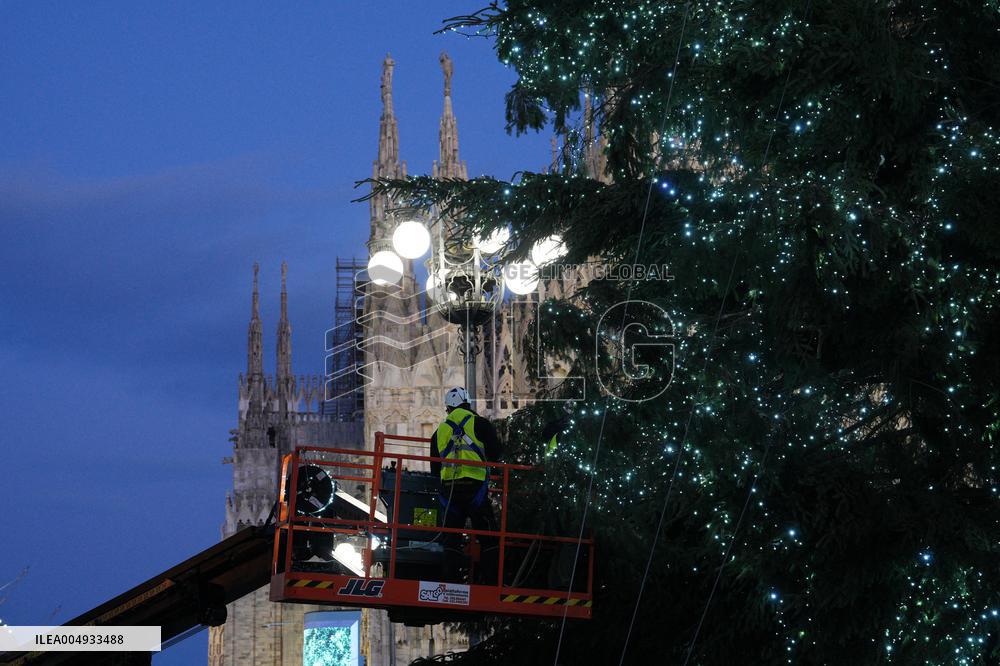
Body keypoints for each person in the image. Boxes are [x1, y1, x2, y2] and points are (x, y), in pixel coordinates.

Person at [431, 387, 502, 583]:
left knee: (451, 539)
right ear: (467, 404)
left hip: (450, 492)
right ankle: (491, 582)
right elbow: (496, 454)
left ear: (449, 408)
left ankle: (450, 582)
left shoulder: (439, 431)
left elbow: (434, 470)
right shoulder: (481, 424)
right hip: (475, 490)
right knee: (488, 537)